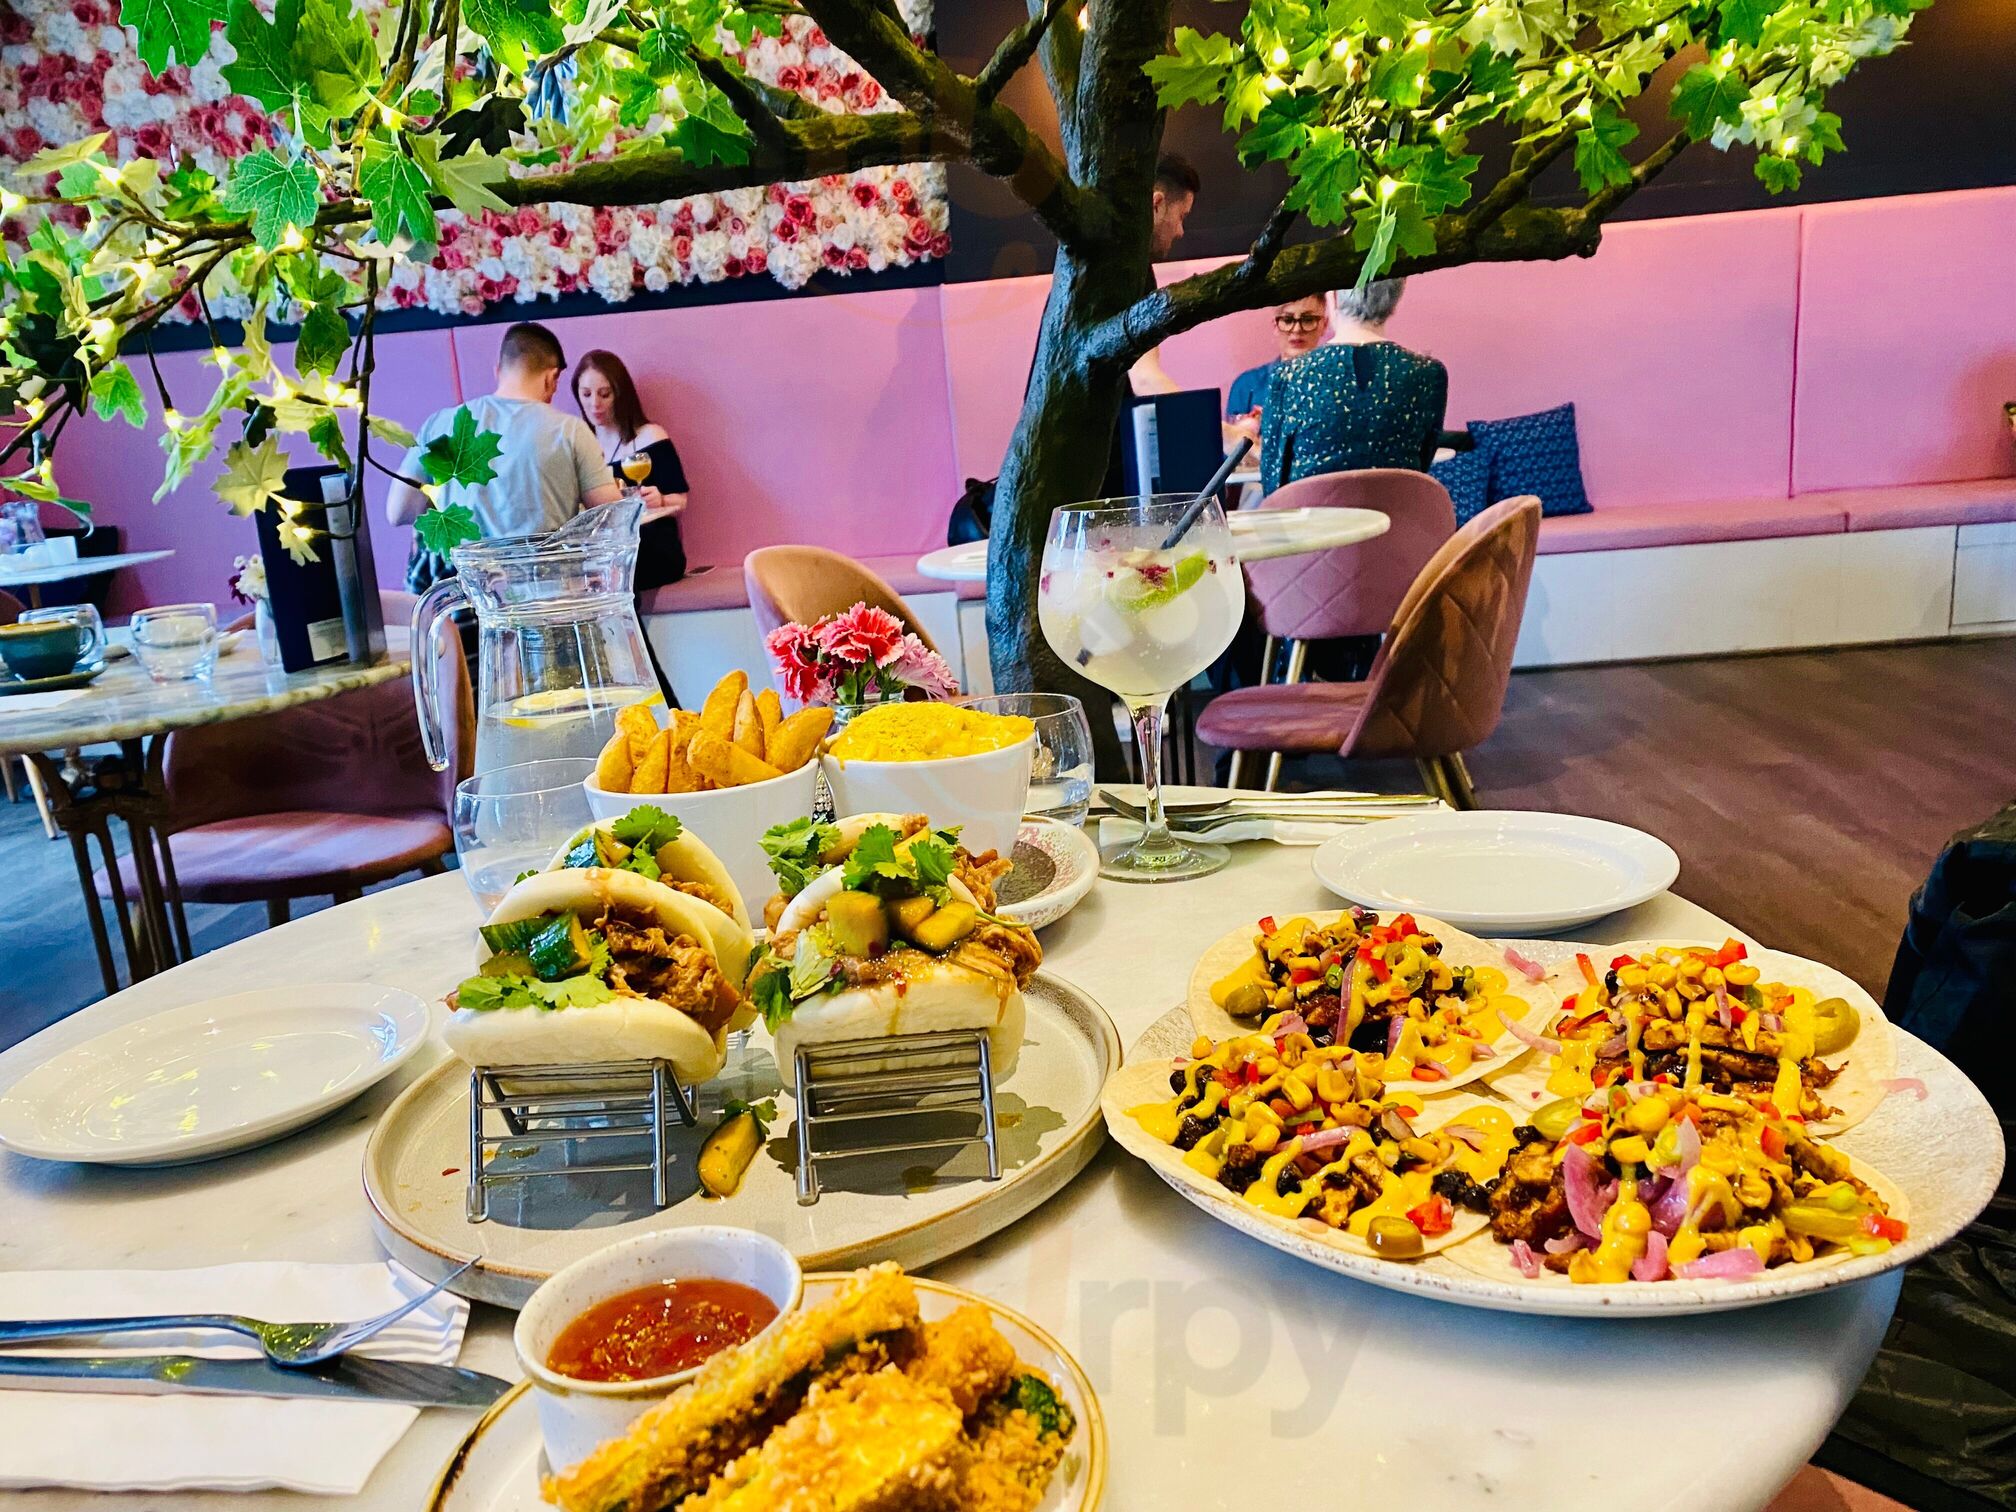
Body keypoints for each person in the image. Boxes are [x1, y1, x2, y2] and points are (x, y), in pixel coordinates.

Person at [386, 322, 650, 537]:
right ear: (552, 378)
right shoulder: (570, 431)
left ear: (498, 371)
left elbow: (398, 512)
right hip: (549, 582)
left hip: (468, 583)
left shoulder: (440, 424)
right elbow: (613, 518)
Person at [1257, 278, 1448, 494]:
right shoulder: (1428, 374)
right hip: (1399, 512)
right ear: (1395, 299)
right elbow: (1421, 464)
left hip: (1311, 514)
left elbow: (1272, 483)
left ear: (1334, 298)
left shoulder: (1290, 375)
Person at [571, 350, 690, 590]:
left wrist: (660, 499)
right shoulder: (581, 446)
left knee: (615, 571)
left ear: (620, 394)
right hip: (603, 549)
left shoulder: (649, 436)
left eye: (605, 394)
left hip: (650, 546)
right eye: (586, 394)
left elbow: (681, 501)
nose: (595, 404)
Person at [1126, 153, 1201, 397]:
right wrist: (1204, 416)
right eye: (1182, 217)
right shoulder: (1130, 274)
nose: (1180, 231)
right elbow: (1145, 379)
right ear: (1156, 204)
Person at [1226, 294, 1327, 446]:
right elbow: (1230, 452)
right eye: (1287, 320)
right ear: (1275, 325)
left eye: (1308, 320)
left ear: (1324, 325)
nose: (1297, 329)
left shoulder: (1337, 385)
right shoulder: (1246, 386)